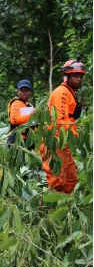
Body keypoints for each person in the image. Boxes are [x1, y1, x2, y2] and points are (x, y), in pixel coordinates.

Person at [40, 59, 86, 194]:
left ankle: (66, 211)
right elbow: (61, 120)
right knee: (57, 182)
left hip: (64, 142)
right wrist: (78, 138)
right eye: (75, 76)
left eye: (80, 76)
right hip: (55, 142)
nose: (78, 79)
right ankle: (47, 212)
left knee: (71, 179)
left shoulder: (71, 92)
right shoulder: (62, 92)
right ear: (67, 76)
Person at [7, 79, 35, 145]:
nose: (24, 92)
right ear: (18, 91)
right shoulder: (16, 103)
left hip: (26, 138)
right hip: (15, 138)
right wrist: (31, 115)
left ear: (31, 92)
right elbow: (14, 120)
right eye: (22, 90)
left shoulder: (29, 105)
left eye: (27, 90)